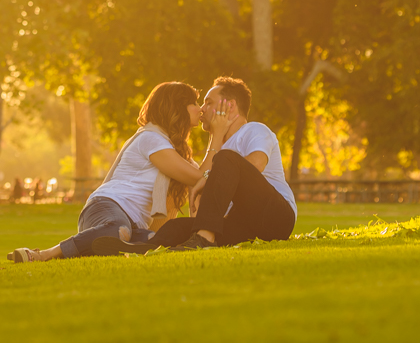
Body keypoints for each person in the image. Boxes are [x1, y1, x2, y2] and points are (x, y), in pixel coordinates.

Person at [6, 81, 209, 263]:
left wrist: (215, 135)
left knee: (164, 240)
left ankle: (95, 248)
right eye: (194, 103)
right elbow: (199, 177)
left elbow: (205, 177)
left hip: (134, 226)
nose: (200, 109)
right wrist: (216, 137)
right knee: (118, 230)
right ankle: (45, 254)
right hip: (106, 207)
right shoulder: (152, 140)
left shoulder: (172, 148)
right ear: (177, 108)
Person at [94, 76, 297, 254]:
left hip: (276, 217)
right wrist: (207, 183)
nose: (202, 109)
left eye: (209, 103)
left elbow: (256, 165)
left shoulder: (254, 130)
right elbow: (203, 211)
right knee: (177, 227)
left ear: (231, 106)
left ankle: (205, 240)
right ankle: (140, 248)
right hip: (244, 225)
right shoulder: (221, 150)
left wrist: (208, 178)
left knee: (225, 158)